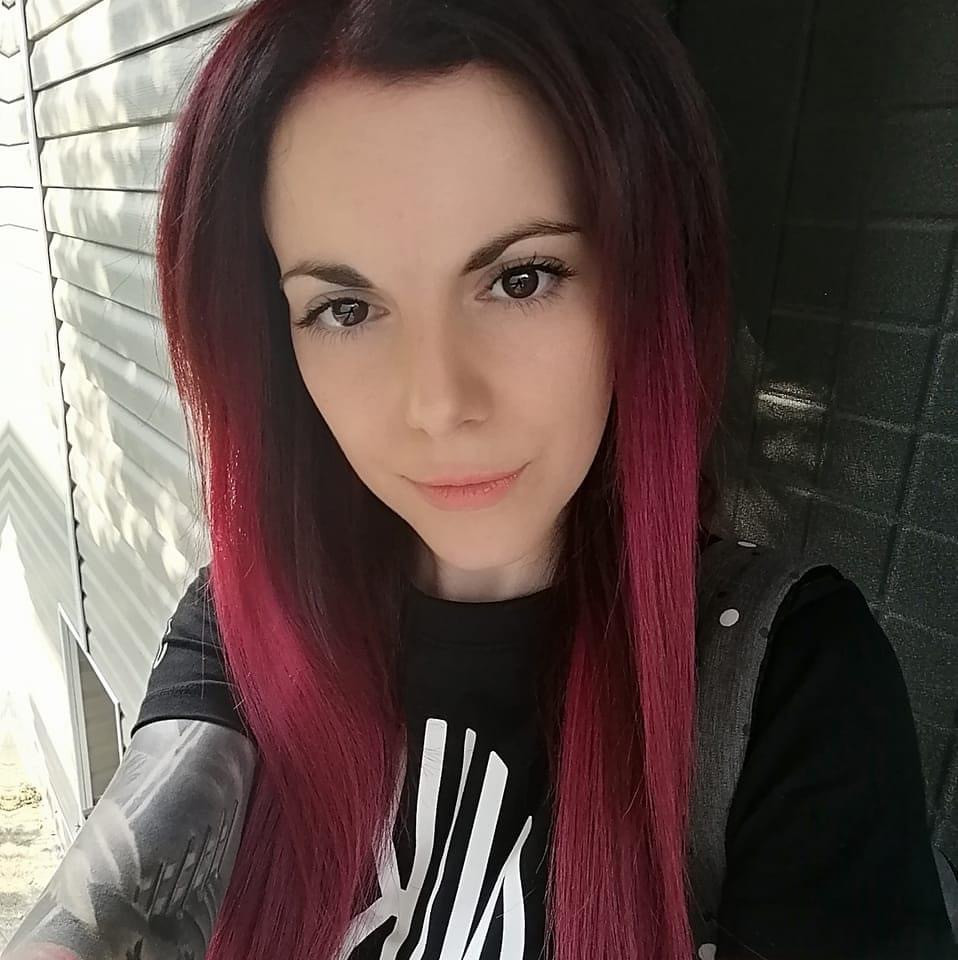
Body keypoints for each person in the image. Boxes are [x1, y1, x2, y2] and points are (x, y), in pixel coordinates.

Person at [4, 0, 954, 958]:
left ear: (644, 281)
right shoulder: (247, 628)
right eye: (345, 308)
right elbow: (110, 908)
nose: (438, 404)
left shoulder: (789, 687)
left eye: (521, 279)